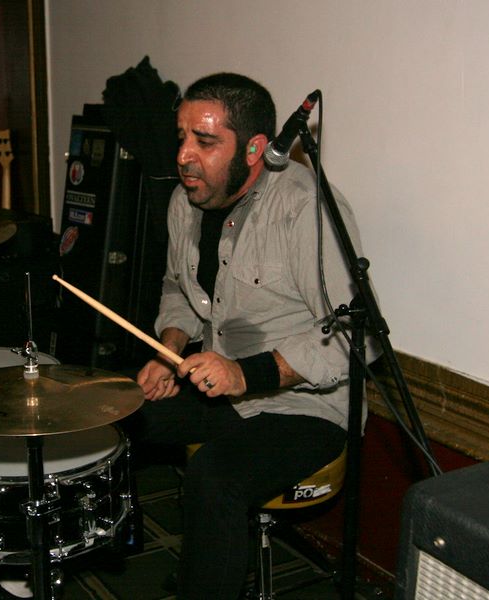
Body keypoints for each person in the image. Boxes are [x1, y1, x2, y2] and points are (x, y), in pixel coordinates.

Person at [130, 72, 373, 599]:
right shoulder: (185, 202)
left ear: (256, 149)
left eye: (205, 141)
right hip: (225, 385)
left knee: (215, 478)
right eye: (182, 137)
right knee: (117, 412)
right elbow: (178, 288)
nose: (184, 156)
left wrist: (248, 374)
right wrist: (169, 350)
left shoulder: (305, 208)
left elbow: (356, 336)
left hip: (307, 406)